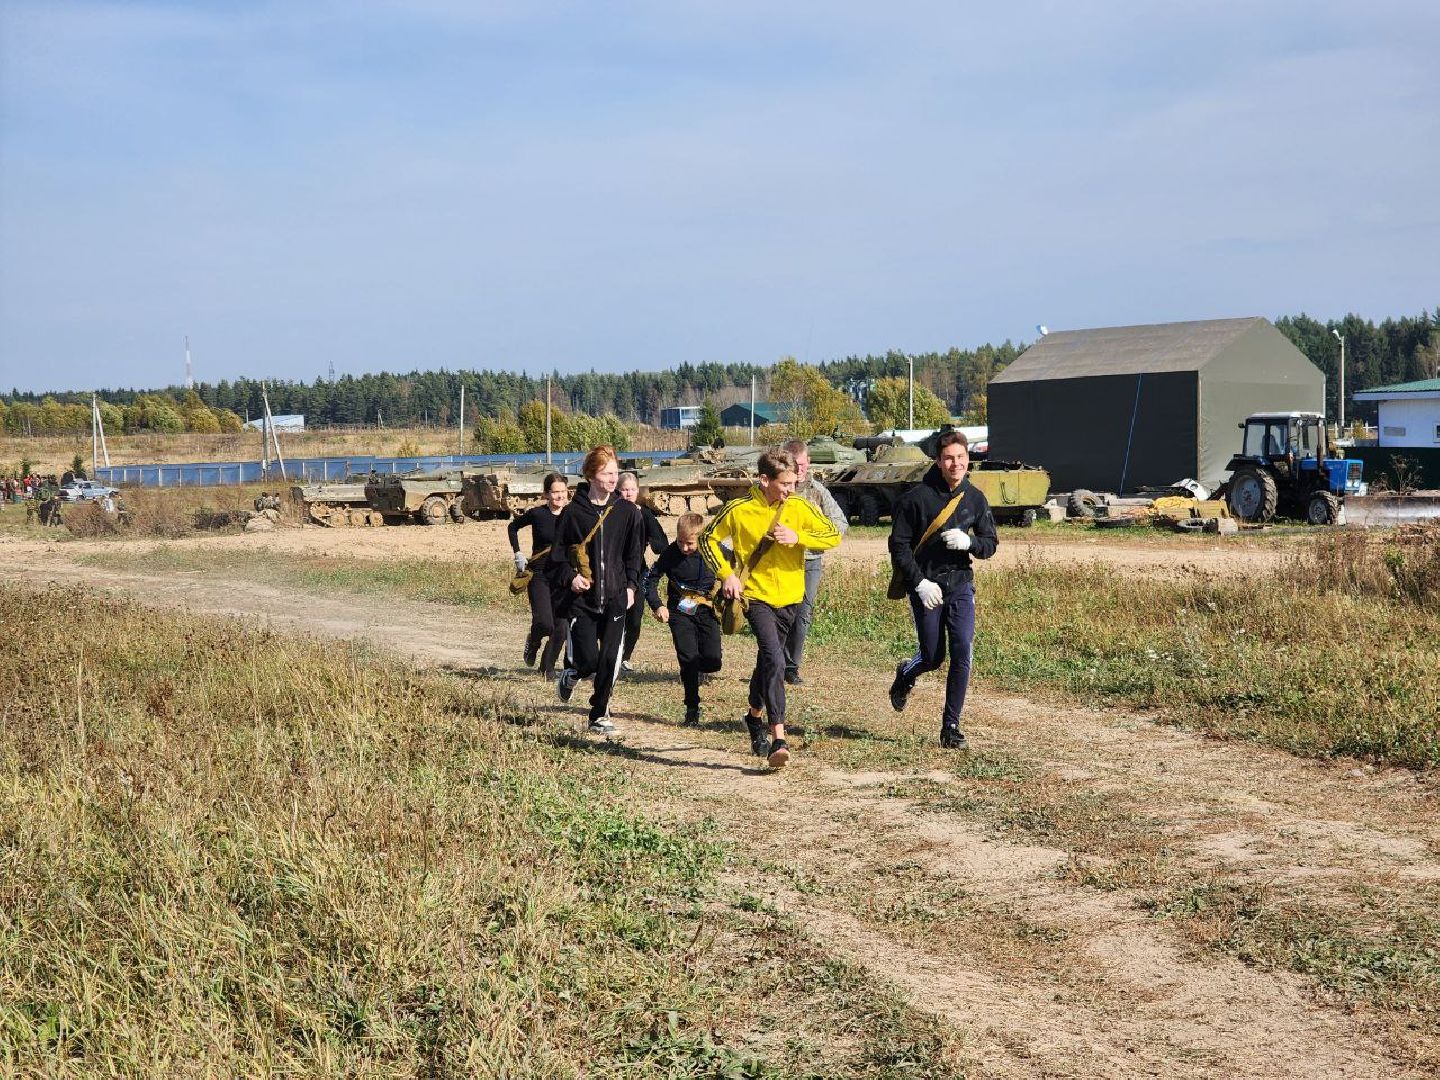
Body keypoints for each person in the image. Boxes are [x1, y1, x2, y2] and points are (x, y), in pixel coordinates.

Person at [701, 448, 841, 769]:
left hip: (791, 597)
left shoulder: (800, 506)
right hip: (756, 596)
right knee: (775, 658)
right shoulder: (738, 509)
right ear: (765, 480)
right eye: (785, 483)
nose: (791, 489)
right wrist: (726, 576)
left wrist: (799, 537)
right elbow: (708, 538)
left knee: (768, 660)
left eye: (794, 482)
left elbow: (833, 534)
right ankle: (778, 736)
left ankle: (753, 716)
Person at [887, 429, 998, 749]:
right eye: (949, 458)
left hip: (960, 585)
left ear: (968, 460)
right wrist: (919, 583)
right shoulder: (916, 499)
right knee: (934, 657)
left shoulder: (975, 499)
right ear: (938, 460)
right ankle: (906, 673)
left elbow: (990, 544)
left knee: (963, 651)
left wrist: (971, 542)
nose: (955, 464)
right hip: (927, 586)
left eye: (961, 458)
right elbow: (899, 546)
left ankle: (951, 726)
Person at [548, 446, 644, 735]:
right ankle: (573, 672)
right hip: (583, 601)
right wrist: (570, 578)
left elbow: (634, 554)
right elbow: (556, 559)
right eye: (607, 473)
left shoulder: (627, 512)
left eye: (615, 472)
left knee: (610, 660)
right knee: (589, 661)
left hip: (616, 597)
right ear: (591, 474)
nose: (613, 479)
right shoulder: (573, 513)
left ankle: (599, 713)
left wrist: (630, 586)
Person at [779, 437, 848, 685]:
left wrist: (807, 539)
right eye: (796, 465)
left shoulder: (817, 492)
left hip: (809, 560)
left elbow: (840, 524)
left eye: (804, 464)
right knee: (777, 612)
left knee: (802, 613)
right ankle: (773, 660)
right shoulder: (775, 488)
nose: (800, 470)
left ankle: (791, 666)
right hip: (777, 560)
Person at [642, 512, 721, 725]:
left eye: (690, 543)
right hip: (679, 611)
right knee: (688, 659)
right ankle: (692, 707)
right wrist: (657, 605)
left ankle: (700, 670)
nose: (685, 548)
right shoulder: (670, 554)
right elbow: (649, 581)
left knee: (713, 661)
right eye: (681, 542)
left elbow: (734, 570)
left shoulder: (715, 550)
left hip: (706, 610)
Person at [507, 472, 570, 679]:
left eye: (563, 491)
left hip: (564, 576)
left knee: (560, 627)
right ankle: (533, 641)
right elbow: (512, 527)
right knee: (545, 623)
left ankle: (547, 668)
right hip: (539, 575)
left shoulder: (573, 514)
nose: (560, 496)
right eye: (555, 492)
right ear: (546, 494)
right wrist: (518, 553)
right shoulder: (537, 514)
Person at [617, 470, 668, 676]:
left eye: (632, 489)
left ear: (637, 491)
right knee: (613, 620)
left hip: (637, 573)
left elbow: (661, 544)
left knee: (635, 621)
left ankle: (625, 658)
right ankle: (610, 656)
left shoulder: (644, 513)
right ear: (617, 491)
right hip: (614, 573)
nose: (628, 493)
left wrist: (652, 541)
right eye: (624, 490)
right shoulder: (611, 513)